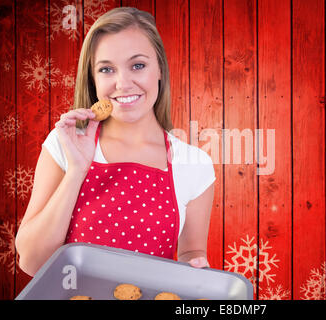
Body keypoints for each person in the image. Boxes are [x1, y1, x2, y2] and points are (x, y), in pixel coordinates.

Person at [15, 7, 215, 277]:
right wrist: (76, 171)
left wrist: (199, 268)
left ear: (159, 69)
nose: (123, 83)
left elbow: (191, 253)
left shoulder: (194, 164)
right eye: (107, 69)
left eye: (138, 65)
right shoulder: (64, 144)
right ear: (93, 79)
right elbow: (31, 261)